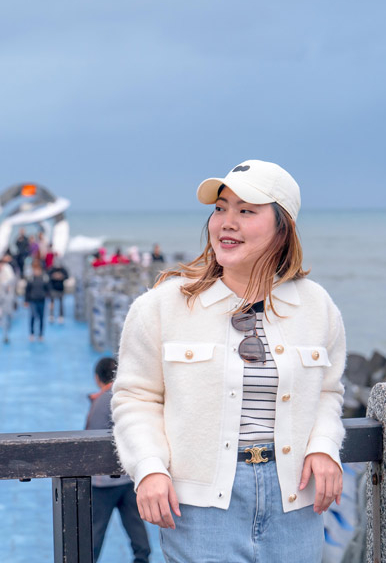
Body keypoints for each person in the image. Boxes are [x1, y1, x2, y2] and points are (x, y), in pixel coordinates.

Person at [111, 160, 346, 562]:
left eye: (246, 210)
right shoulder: (161, 307)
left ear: (282, 227)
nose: (226, 222)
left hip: (297, 500)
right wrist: (149, 468)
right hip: (201, 505)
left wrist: (324, 447)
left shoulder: (316, 306)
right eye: (220, 208)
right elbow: (135, 399)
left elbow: (328, 392)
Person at [87, 357, 151, 563]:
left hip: (102, 483)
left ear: (98, 379)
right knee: (140, 541)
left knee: (93, 541)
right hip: (128, 479)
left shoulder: (102, 400)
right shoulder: (125, 397)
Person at [0, 254, 17, 344]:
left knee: (7, 314)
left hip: (7, 296)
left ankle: (6, 333)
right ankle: (5, 333)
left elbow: (11, 280)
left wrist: (5, 285)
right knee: (3, 315)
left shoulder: (7, 268)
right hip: (1, 296)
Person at [24, 258, 51, 341]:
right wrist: (26, 301)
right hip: (33, 300)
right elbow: (27, 290)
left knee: (42, 317)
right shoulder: (31, 279)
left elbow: (48, 289)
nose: (36, 271)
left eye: (37, 270)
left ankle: (41, 334)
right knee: (32, 316)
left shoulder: (44, 279)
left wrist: (50, 301)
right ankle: (32, 333)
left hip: (41, 300)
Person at [48, 258, 69, 324]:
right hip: (53, 288)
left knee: (61, 303)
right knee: (52, 302)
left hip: (60, 288)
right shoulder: (51, 269)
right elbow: (48, 276)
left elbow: (67, 276)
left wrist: (61, 276)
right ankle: (51, 315)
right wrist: (54, 276)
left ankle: (61, 316)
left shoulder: (63, 270)